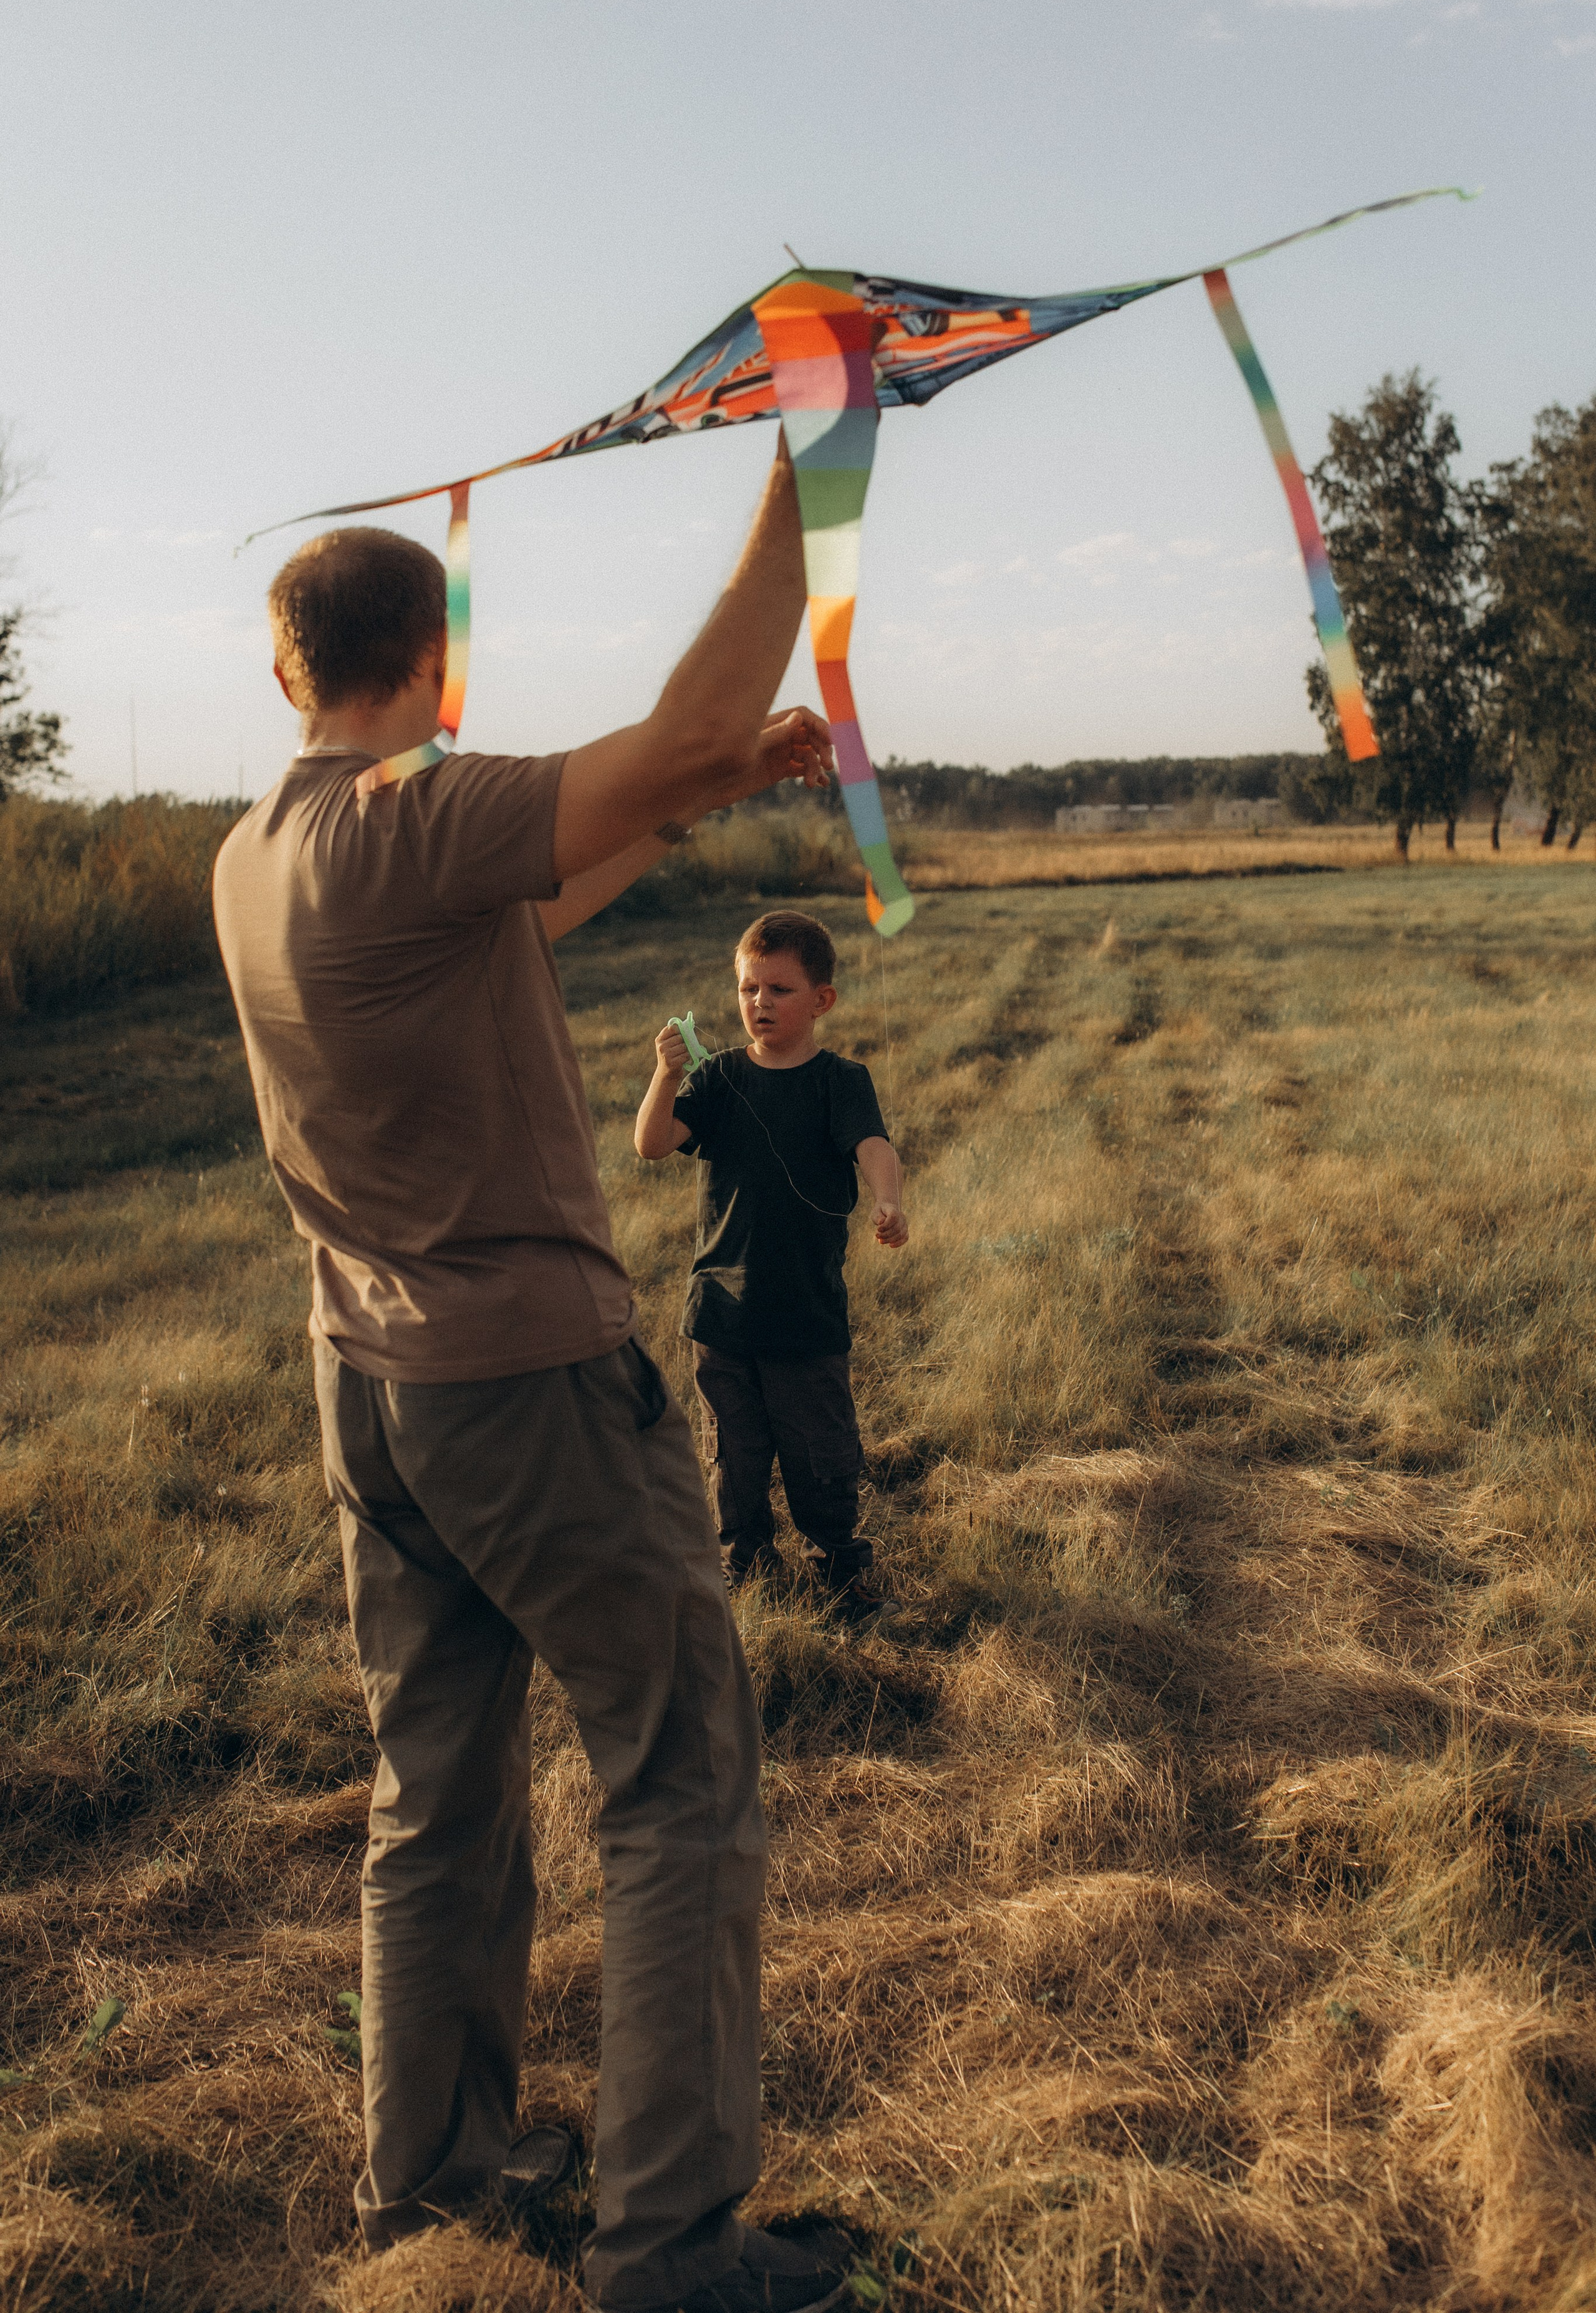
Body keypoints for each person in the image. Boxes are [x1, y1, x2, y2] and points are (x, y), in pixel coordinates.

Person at [213, 442, 861, 2313]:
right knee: (677, 1773)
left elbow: (546, 891)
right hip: (531, 1391)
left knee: (439, 1791)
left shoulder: (257, 859)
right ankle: (671, 2247)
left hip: (375, 1392)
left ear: (283, 674)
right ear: (438, 659)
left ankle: (434, 2179)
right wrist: (802, 473)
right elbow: (666, 728)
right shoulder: (406, 819)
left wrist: (702, 793)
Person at [633, 910, 908, 1616]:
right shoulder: (719, 1076)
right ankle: (746, 1566)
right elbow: (653, 1144)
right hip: (720, 1315)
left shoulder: (838, 1081)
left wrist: (888, 1200)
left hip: (804, 1312)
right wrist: (666, 1076)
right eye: (749, 989)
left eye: (779, 990)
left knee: (820, 1454)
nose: (760, 1004)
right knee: (736, 1457)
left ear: (821, 1000)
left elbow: (873, 1145)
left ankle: (840, 1572)